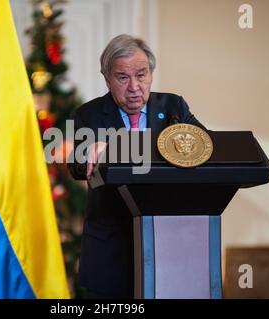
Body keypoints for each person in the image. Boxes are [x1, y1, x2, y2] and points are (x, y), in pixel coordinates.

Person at [68, 34, 205, 298]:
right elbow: (76, 165)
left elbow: (203, 148)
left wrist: (115, 147)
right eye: (122, 77)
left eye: (141, 75)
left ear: (151, 74)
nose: (134, 86)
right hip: (111, 252)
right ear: (107, 79)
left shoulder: (174, 107)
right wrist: (92, 150)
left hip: (170, 245)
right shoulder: (88, 115)